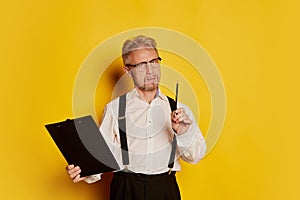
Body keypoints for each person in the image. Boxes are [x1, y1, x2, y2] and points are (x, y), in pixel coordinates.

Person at [66, 35, 206, 200]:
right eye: (141, 65)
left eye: (154, 62)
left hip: (165, 188)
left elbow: (195, 156)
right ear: (128, 71)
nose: (150, 71)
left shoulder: (179, 109)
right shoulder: (114, 109)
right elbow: (102, 157)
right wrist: (85, 171)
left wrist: (183, 133)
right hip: (126, 188)